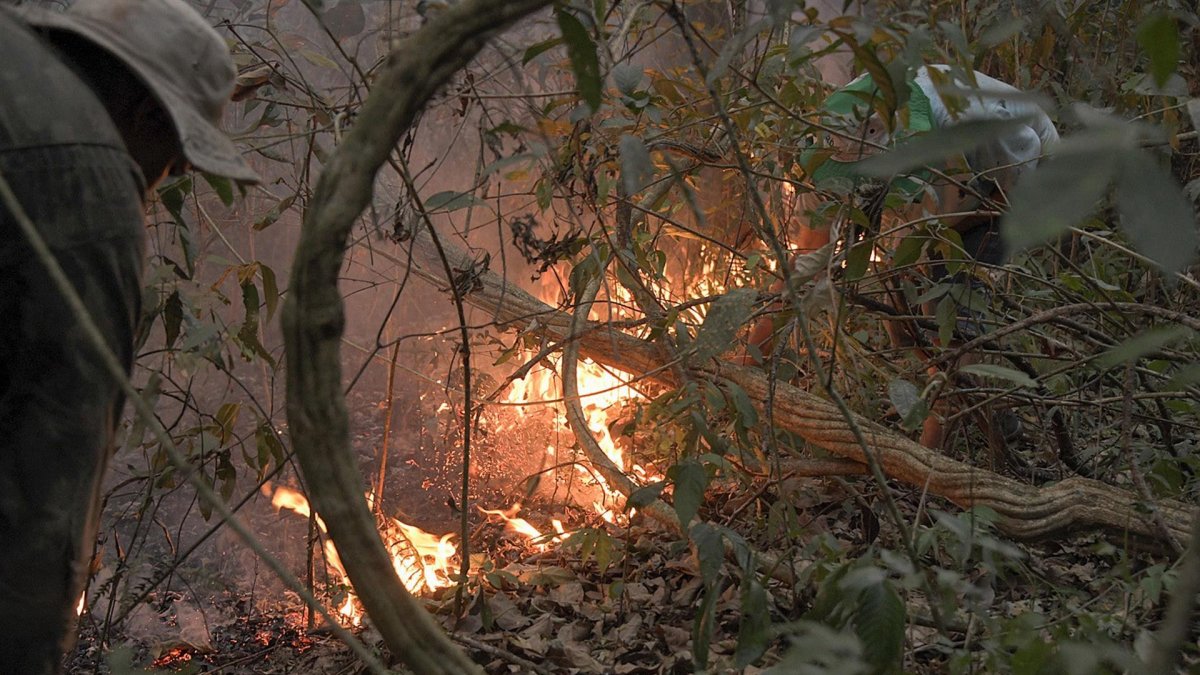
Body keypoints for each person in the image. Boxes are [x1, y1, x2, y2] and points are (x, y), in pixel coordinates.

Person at [0, 1, 257, 672]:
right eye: (175, 164)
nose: (162, 184)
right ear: (148, 118)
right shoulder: (82, 171)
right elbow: (45, 487)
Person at [748, 64, 1059, 449]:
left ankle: (929, 461)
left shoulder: (972, 121)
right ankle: (987, 412)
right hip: (944, 184)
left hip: (1010, 178)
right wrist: (745, 365)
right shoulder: (837, 134)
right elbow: (807, 260)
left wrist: (932, 242)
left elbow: (1010, 191)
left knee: (951, 317)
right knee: (903, 318)